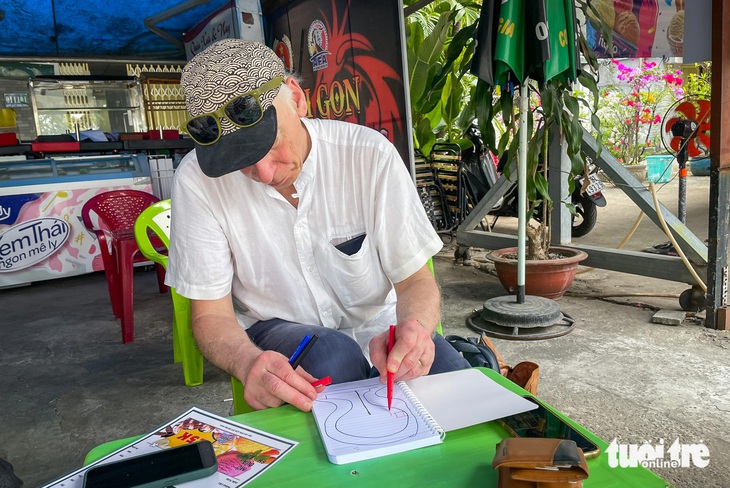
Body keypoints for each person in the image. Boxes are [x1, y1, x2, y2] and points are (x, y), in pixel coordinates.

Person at [167, 38, 469, 412]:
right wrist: (247, 363)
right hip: (276, 327)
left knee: (455, 385)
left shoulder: (369, 155)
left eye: (270, 144)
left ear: (295, 98)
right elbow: (210, 314)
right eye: (241, 161)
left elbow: (415, 282)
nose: (262, 173)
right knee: (332, 357)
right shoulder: (198, 182)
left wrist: (416, 330)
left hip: (379, 321)